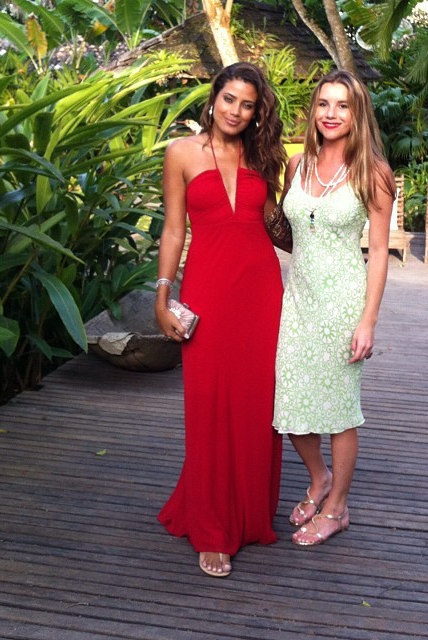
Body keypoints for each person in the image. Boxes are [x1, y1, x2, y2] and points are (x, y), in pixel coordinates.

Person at [155, 62, 286, 577]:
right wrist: (163, 295)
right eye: (229, 99)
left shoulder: (263, 156)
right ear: (214, 99)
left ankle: (250, 514)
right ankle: (211, 528)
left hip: (261, 293)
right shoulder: (181, 153)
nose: (236, 111)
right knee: (208, 403)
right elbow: (173, 230)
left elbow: (275, 225)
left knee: (256, 403)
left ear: (256, 113)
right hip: (207, 291)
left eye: (247, 104)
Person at [273, 69, 395, 546]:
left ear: (357, 113)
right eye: (324, 103)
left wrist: (368, 321)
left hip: (344, 304)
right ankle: (319, 477)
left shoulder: (373, 173)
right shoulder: (296, 165)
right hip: (298, 301)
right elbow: (292, 231)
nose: (331, 113)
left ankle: (338, 507)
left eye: (342, 105)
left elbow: (379, 252)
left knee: (340, 409)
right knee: (289, 399)